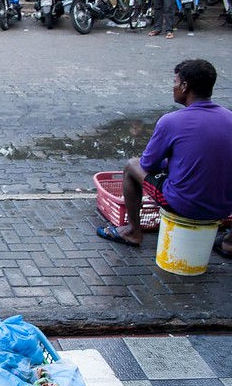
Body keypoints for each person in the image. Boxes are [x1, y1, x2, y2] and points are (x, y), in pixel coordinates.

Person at [97, 59, 232, 255]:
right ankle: (228, 242)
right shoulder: (229, 117)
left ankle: (132, 231)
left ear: (185, 87)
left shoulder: (171, 121)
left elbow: (148, 163)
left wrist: (168, 163)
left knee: (132, 166)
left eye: (175, 82)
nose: (173, 87)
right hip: (224, 208)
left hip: (184, 205)